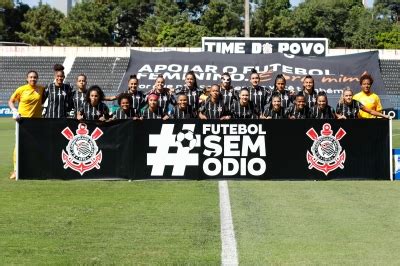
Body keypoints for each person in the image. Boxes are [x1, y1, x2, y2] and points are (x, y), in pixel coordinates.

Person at [8, 70, 45, 179]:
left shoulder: (41, 89)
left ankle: (34, 168)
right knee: (18, 145)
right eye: (31, 77)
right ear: (27, 78)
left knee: (36, 145)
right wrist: (14, 110)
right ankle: (16, 170)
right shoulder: (21, 89)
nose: (33, 79)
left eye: (35, 77)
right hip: (23, 121)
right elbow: (11, 101)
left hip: (36, 122)